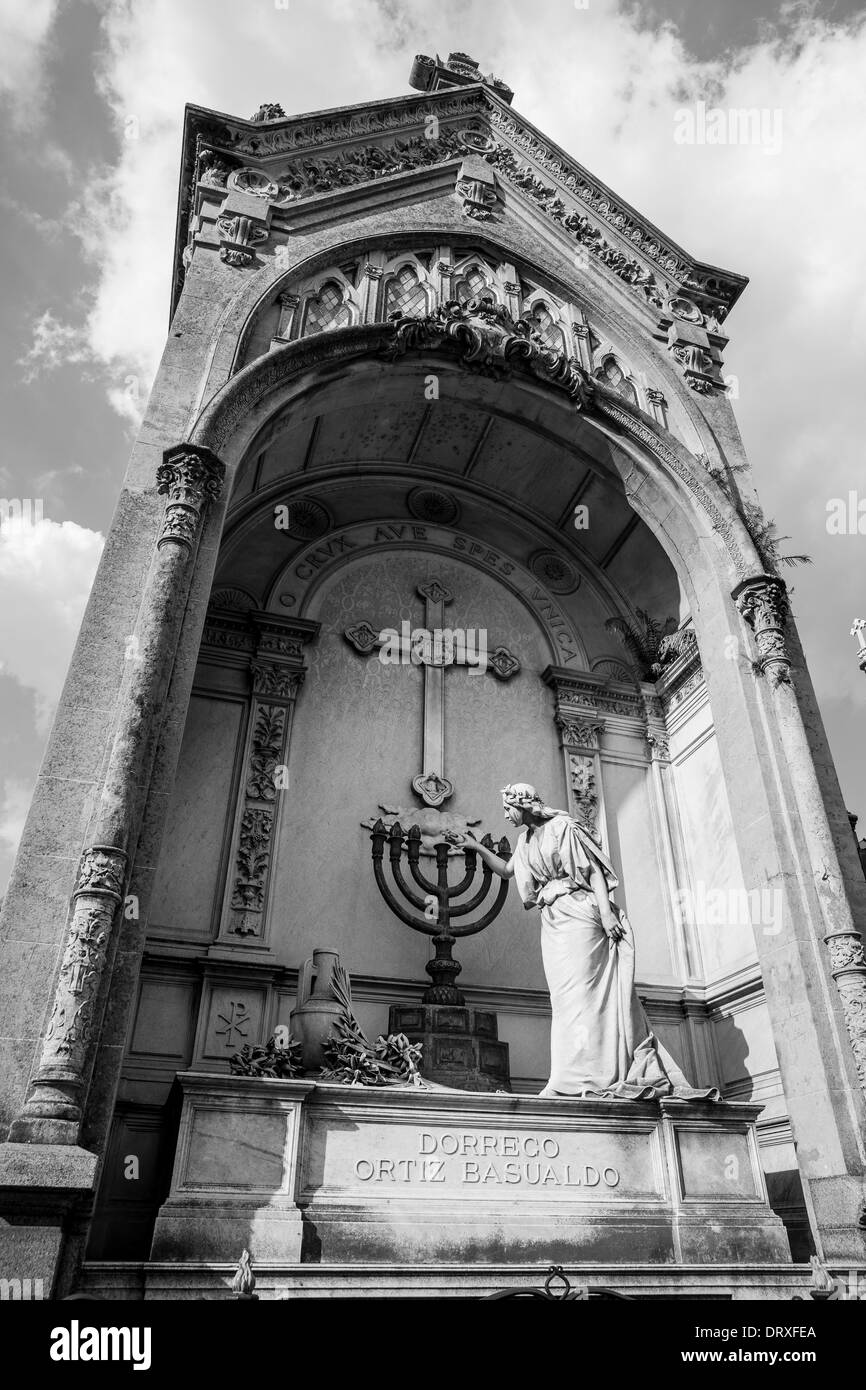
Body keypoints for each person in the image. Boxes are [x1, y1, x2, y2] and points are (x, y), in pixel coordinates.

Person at [448, 782, 715, 1100]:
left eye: (508, 809)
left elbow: (592, 873)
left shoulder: (562, 827)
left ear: (522, 805)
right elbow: (508, 870)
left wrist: (606, 914)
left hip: (580, 915)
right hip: (554, 921)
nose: (505, 815)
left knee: (586, 995)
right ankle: (569, 1077)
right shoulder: (525, 840)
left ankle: (598, 1074)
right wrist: (476, 847)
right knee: (566, 1001)